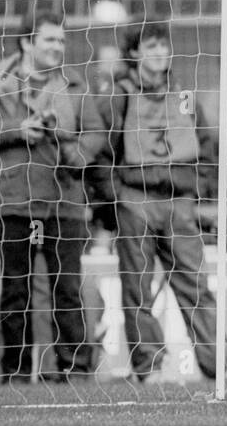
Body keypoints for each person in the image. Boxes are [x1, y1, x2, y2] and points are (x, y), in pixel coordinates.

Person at [0, 6, 105, 383]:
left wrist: (78, 154)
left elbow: (95, 132)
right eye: (50, 39)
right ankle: (15, 372)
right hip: (15, 198)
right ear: (27, 42)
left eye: (62, 39)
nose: (59, 46)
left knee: (67, 288)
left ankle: (75, 372)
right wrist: (16, 128)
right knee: (16, 288)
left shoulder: (76, 85)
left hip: (65, 200)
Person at [87, 19, 219, 383]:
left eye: (163, 45)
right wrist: (118, 199)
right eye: (151, 46)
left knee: (196, 285)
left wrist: (195, 189)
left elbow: (207, 145)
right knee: (138, 289)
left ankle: (216, 367)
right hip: (135, 200)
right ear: (134, 53)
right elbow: (101, 151)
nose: (161, 52)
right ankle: (148, 367)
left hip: (179, 203)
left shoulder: (184, 94)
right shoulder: (118, 94)